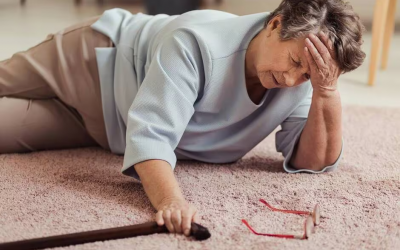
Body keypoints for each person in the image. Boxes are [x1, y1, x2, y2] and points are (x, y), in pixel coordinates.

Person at [0, 0, 365, 237]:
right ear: (275, 24)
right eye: (295, 62)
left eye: (306, 74)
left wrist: (325, 90)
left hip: (107, 128)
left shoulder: (305, 82)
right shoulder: (197, 42)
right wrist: (170, 201)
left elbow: (313, 160)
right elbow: (151, 136)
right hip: (91, 63)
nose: (290, 79)